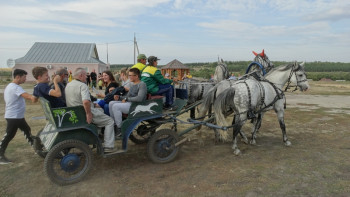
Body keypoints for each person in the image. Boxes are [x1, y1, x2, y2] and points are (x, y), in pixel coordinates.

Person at [65, 68, 117, 153]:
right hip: (83, 112)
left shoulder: (69, 84)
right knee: (110, 121)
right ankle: (108, 146)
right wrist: (88, 114)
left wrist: (93, 105)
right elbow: (85, 102)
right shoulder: (82, 86)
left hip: (75, 111)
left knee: (101, 110)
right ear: (81, 75)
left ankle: (98, 135)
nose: (86, 77)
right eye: (85, 75)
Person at [0, 69, 36, 164]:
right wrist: (36, 96)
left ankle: (36, 148)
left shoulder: (11, 86)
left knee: (27, 130)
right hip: (14, 116)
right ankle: (0, 156)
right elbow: (28, 96)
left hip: (17, 116)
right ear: (18, 77)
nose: (25, 79)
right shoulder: (15, 87)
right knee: (9, 135)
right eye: (24, 77)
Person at [109, 68, 147, 136]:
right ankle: (114, 125)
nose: (129, 77)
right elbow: (128, 96)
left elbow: (139, 98)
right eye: (129, 75)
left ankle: (120, 128)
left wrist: (127, 99)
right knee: (111, 103)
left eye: (131, 75)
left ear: (137, 76)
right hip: (130, 103)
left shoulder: (142, 84)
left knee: (116, 106)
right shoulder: (132, 84)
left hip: (136, 105)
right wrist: (119, 97)